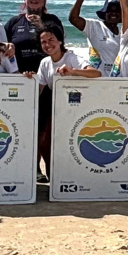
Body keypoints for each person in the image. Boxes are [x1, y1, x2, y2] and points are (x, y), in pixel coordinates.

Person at [28, 23, 100, 179]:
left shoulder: (72, 58)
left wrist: (73, 71)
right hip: (55, 107)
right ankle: (52, 177)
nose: (48, 44)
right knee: (45, 145)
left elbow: (96, 73)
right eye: (43, 42)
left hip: (78, 108)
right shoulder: (45, 63)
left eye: (51, 39)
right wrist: (28, 80)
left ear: (60, 40)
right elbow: (38, 90)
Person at [5, 0, 64, 73]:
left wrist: (42, 26)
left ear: (44, 1)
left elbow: (60, 45)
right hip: (19, 75)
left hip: (46, 75)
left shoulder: (53, 20)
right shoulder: (14, 22)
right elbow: (1, 45)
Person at [69, 0, 122, 74]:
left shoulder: (125, 33)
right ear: (104, 13)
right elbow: (73, 19)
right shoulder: (94, 26)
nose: (113, 13)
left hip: (117, 80)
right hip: (96, 77)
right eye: (110, 10)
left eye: (117, 11)